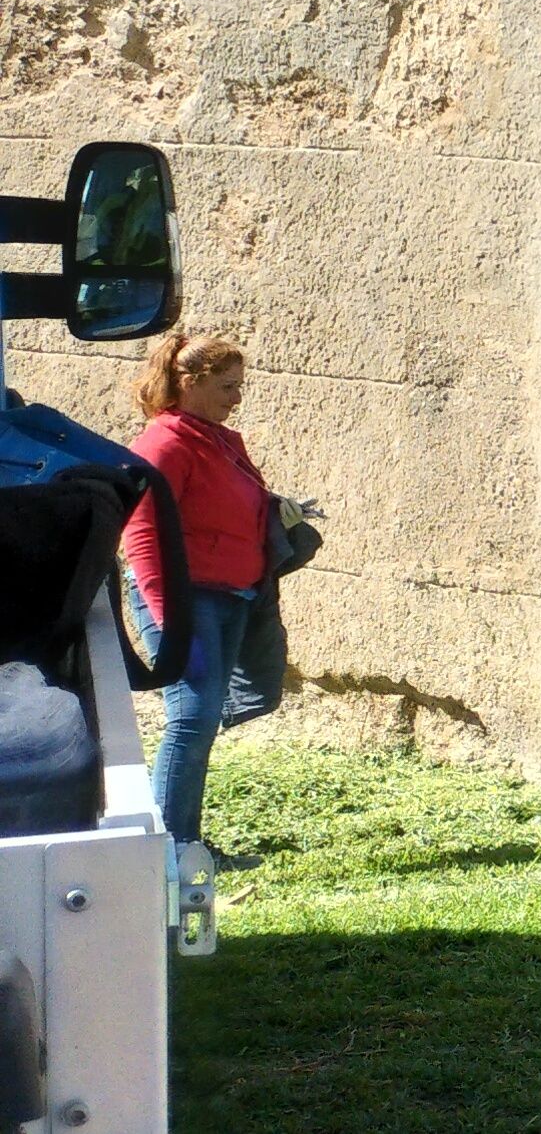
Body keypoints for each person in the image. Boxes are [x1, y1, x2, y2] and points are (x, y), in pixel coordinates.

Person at [118, 333, 288, 857]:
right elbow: (140, 531)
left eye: (240, 386)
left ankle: (180, 842)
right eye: (227, 386)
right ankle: (169, 849)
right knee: (192, 715)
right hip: (185, 598)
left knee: (203, 715)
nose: (237, 398)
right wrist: (171, 619)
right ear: (189, 383)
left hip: (230, 593)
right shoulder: (166, 443)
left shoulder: (215, 438)